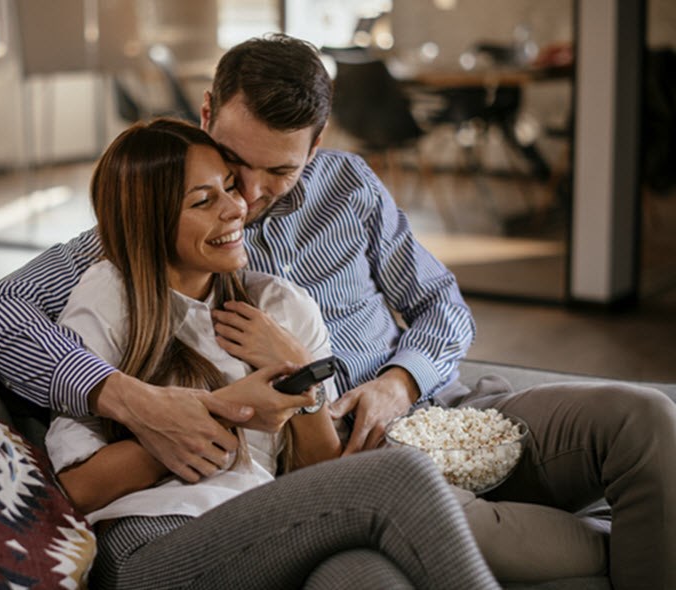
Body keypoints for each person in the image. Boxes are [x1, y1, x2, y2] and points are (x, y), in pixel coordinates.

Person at [0, 34, 676, 588]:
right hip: (331, 467)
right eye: (233, 165)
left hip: (437, 411)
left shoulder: (352, 189)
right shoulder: (152, 224)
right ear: (209, 112)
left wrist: (397, 384)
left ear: (320, 141)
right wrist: (136, 401)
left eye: (279, 171)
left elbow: (441, 305)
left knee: (646, 418)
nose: (246, 196)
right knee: (393, 532)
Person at [45, 117, 498, 589]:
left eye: (228, 188)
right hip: (152, 541)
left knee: (362, 576)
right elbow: (78, 489)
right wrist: (224, 413)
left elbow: (319, 468)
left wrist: (302, 380)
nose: (237, 207)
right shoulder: (109, 296)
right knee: (400, 475)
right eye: (204, 201)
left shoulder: (281, 305)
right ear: (149, 223)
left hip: (257, 521)